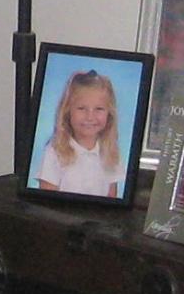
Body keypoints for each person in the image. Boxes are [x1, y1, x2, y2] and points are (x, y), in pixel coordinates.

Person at [32, 69, 127, 198]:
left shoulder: (111, 153)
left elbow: (112, 200)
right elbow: (46, 201)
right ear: (67, 111)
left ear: (109, 114)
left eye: (99, 109)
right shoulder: (55, 152)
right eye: (82, 108)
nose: (90, 117)